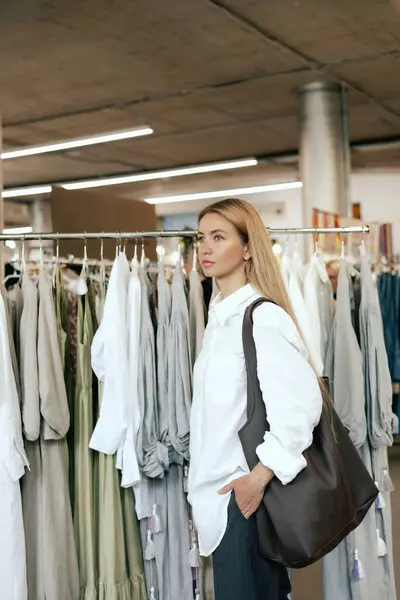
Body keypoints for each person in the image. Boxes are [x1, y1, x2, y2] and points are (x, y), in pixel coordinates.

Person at [187, 198, 323, 600]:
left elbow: (301, 408)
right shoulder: (219, 317)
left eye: (218, 237)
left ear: (247, 248)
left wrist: (257, 480)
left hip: (243, 499)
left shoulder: (262, 317)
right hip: (219, 499)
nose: (205, 248)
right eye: (200, 238)